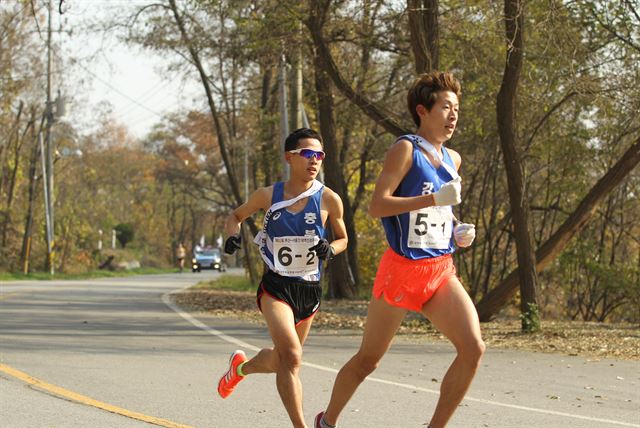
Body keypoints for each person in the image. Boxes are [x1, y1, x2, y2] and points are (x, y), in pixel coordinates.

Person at [314, 71, 483, 428]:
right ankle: (327, 421)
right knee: (368, 360)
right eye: (446, 107)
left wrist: (457, 230)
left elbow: (440, 211)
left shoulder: (454, 159)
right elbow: (378, 206)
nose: (453, 115)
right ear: (423, 110)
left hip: (439, 269)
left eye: (457, 109)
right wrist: (434, 197)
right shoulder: (405, 149)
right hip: (402, 269)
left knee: (474, 348)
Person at [217, 128, 348, 428]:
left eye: (320, 155)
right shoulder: (268, 195)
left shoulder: (329, 200)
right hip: (276, 287)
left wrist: (331, 248)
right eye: (308, 154)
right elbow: (235, 217)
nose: (314, 161)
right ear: (290, 157)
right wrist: (231, 238)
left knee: (283, 360)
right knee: (291, 357)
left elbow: (343, 239)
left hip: (310, 290)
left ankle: (239, 370)